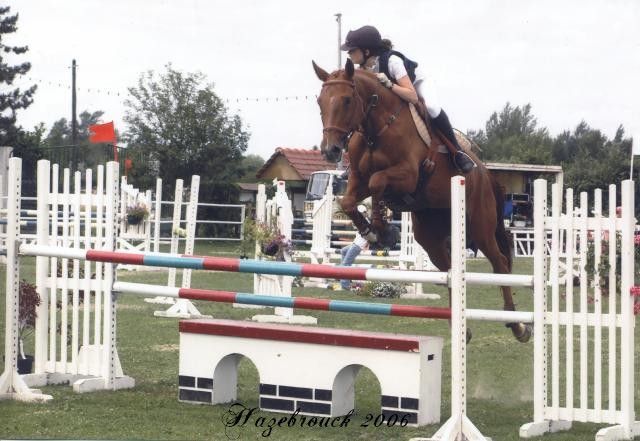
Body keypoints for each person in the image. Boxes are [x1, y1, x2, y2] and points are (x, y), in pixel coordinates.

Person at [340, 25, 476, 174]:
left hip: (417, 84)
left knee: (432, 107)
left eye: (352, 50)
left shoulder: (392, 61)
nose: (349, 53)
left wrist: (390, 84)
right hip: (397, 93)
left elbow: (412, 96)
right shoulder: (363, 69)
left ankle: (457, 152)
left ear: (366, 51)